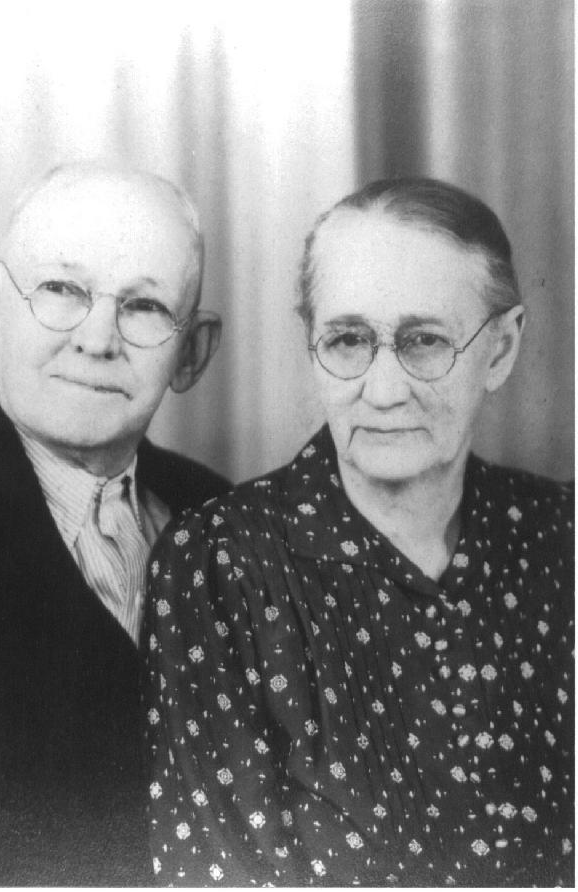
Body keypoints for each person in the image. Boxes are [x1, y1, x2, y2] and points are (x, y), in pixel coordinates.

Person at [143, 177, 573, 886]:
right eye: (347, 340)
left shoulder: (561, 535)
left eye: (425, 341)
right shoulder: (222, 565)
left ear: (500, 350)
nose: (383, 390)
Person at [0, 162, 230, 885]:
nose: (98, 340)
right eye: (62, 290)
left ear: (192, 352)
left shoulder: (226, 523)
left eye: (144, 307)